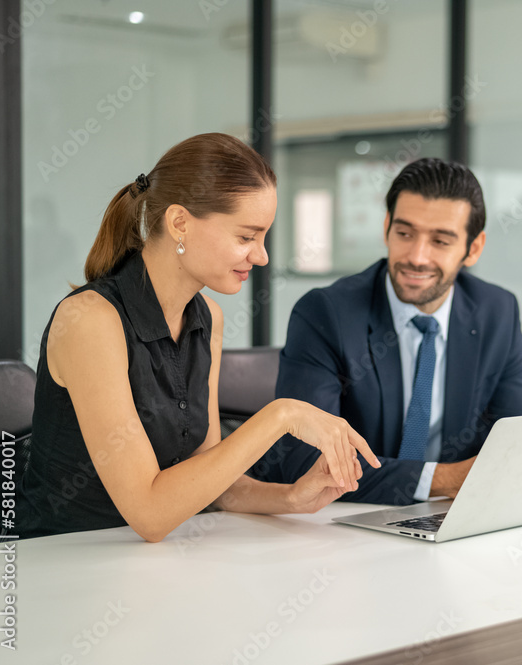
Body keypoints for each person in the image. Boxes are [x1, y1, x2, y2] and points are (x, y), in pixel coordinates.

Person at [19, 133, 379, 542]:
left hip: (147, 563)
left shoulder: (208, 318)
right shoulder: (90, 320)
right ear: (179, 223)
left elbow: (210, 475)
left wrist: (294, 497)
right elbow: (151, 514)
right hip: (60, 562)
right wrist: (282, 416)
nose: (261, 256)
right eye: (246, 237)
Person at [252, 157, 522, 505]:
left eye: (440, 241)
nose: (417, 257)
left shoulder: (497, 311)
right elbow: (306, 463)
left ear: (474, 248)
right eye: (405, 234)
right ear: (387, 226)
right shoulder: (327, 314)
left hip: (449, 519)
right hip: (341, 525)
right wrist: (446, 479)